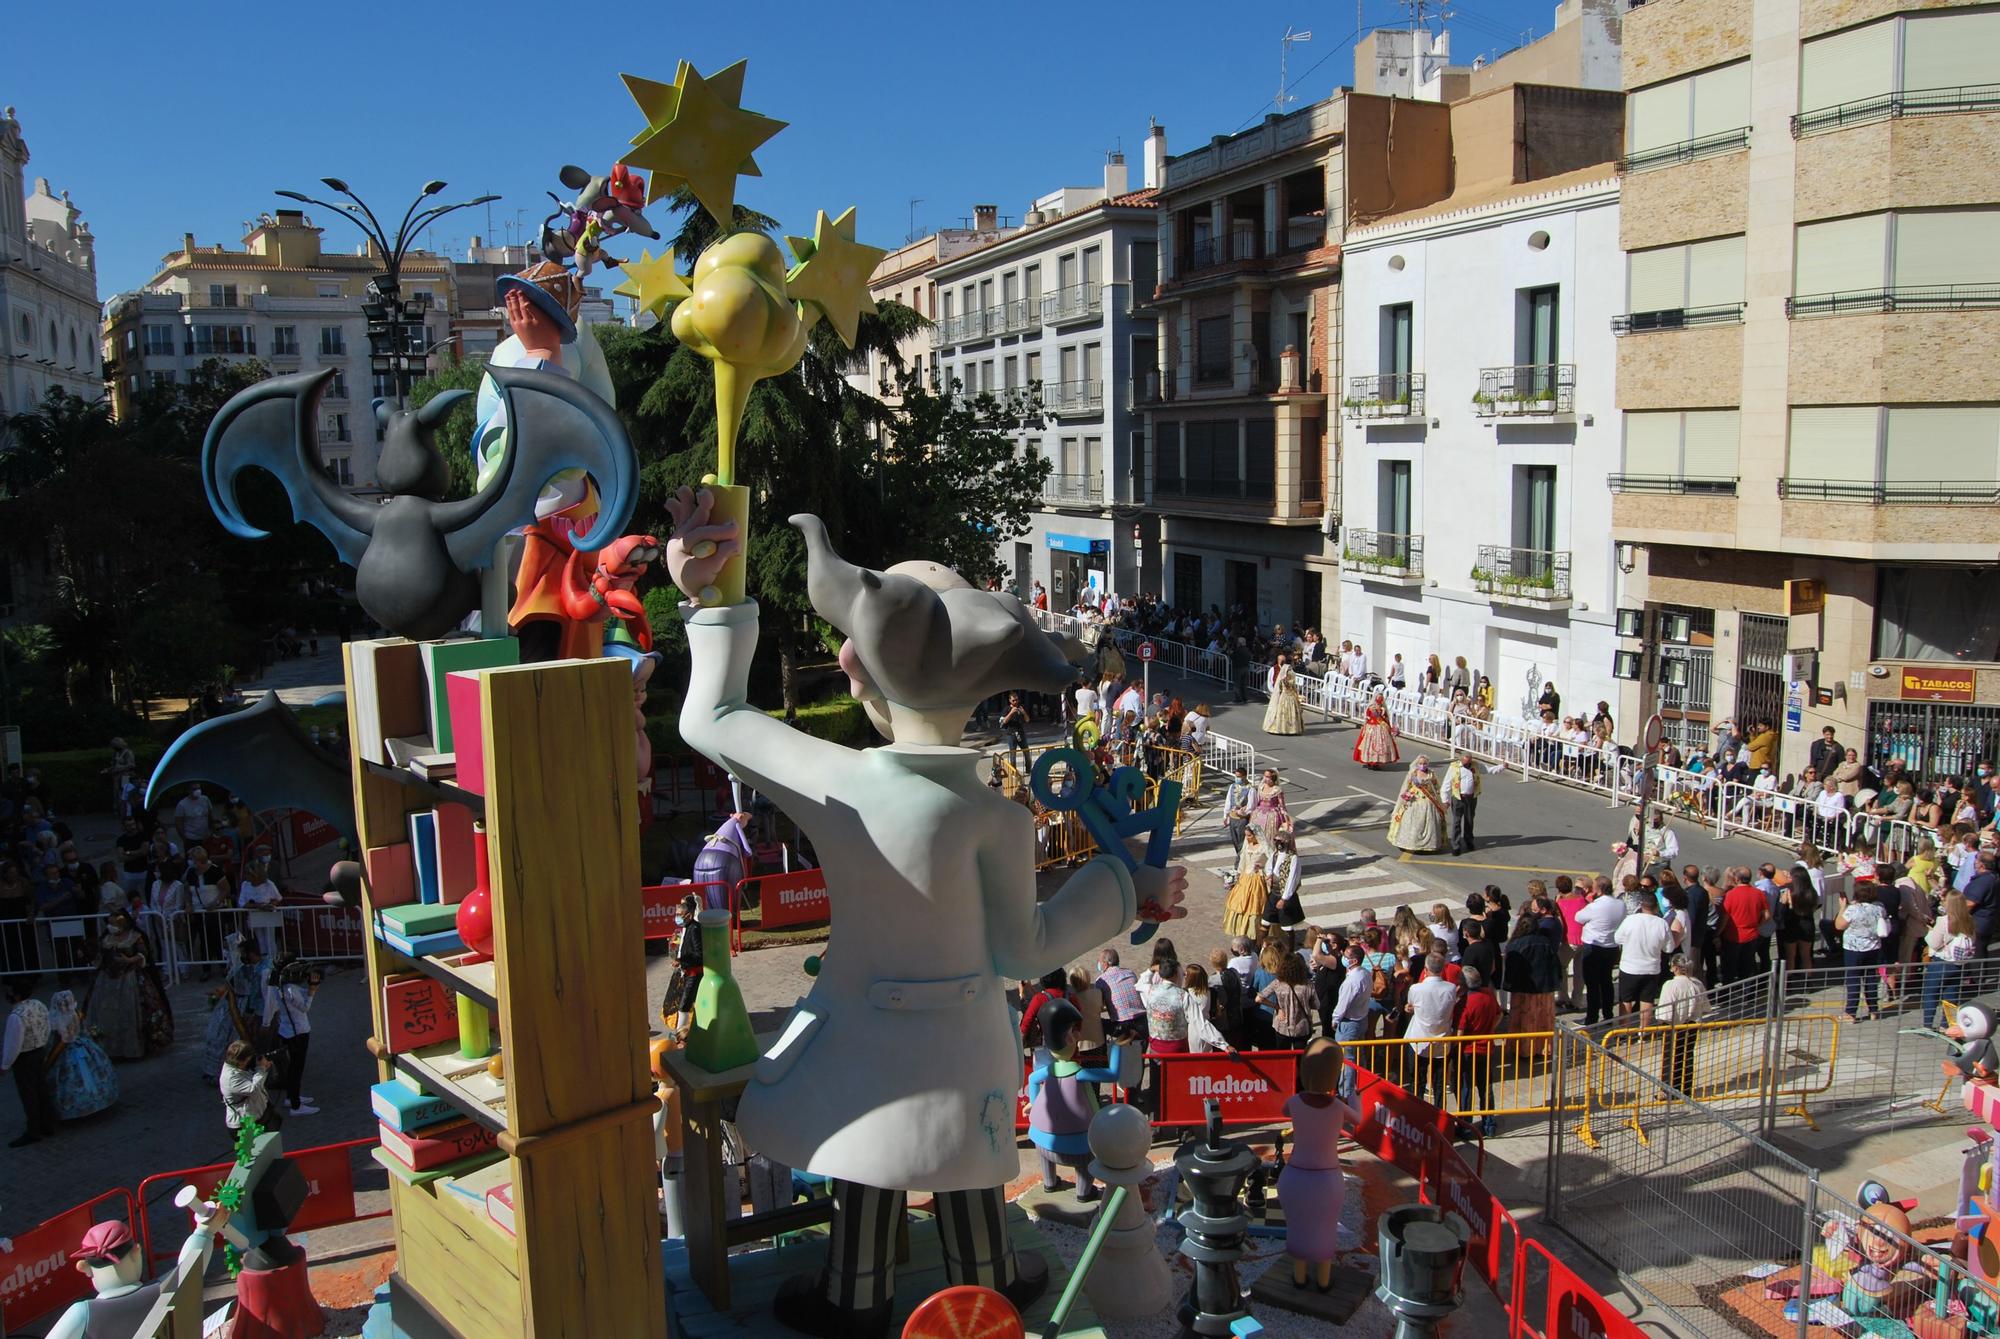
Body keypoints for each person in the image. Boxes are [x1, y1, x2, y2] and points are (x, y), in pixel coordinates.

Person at [1278, 1039, 1358, 1293]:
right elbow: (1359, 1120)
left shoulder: (1295, 1101)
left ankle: (1299, 1276)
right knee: (1325, 1228)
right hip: (1326, 1178)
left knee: (1297, 1226)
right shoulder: (1337, 1107)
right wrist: (1355, 1097)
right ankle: (1323, 1280)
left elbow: (1284, 1111)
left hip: (1295, 1176)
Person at [85, 910, 173, 1060]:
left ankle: (134, 1049)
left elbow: (143, 954)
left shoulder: (135, 937)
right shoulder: (107, 938)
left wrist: (129, 960)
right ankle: (108, 1049)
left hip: (130, 980)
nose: (110, 926)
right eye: (109, 923)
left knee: (132, 1012)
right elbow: (100, 957)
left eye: (113, 923)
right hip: (107, 982)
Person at [263, 952, 321, 1115]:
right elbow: (304, 1007)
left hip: (287, 1031)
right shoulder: (289, 989)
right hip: (298, 1033)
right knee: (296, 1068)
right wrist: (312, 991)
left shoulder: (278, 987)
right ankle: (296, 1106)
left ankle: (291, 1097)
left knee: (292, 1068)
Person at [3, 977, 58, 1146]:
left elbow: (13, 1044)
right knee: (41, 1089)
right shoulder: (37, 1004)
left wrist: (4, 1064)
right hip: (39, 1052)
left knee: (29, 1094)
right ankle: (48, 1123)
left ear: (17, 995)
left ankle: (34, 1130)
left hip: (25, 1058)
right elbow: (48, 1025)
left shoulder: (16, 1016)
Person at [1403, 953, 1460, 1105]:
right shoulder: (1451, 988)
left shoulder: (1416, 988)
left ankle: (1417, 1116)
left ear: (1425, 969)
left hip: (1418, 1040)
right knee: (1439, 1084)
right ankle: (1439, 1115)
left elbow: (1412, 1005)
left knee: (1417, 1083)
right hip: (1441, 1041)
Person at [1502, 911, 1560, 1055]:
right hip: (1545, 988)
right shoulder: (1545, 942)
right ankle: (1544, 1048)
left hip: (1524, 989)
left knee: (1524, 1020)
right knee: (1544, 1020)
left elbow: (1512, 968)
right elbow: (1554, 964)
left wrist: (1508, 985)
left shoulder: (1516, 944)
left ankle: (1524, 1050)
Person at [1453, 967, 1502, 1137]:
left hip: (1468, 1050)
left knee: (1466, 1088)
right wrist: (1490, 1030)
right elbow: (1499, 1014)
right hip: (1487, 1047)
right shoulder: (1488, 994)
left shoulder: (1465, 1003)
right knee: (1486, 1087)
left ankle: (1466, 1126)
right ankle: (1489, 1124)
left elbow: (1459, 1032)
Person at [1614, 897, 1676, 1028]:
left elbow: (1617, 938)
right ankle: (1643, 1032)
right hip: (1651, 969)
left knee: (1626, 1000)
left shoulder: (1630, 920)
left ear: (1641, 906)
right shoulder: (1662, 923)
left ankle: (1624, 1032)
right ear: (1656, 907)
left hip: (1629, 968)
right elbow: (1669, 948)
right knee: (1647, 1001)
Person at [1655, 956, 1710, 1094]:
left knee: (1670, 1058)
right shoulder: (1697, 984)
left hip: (1673, 1025)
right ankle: (1686, 1089)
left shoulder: (1670, 985)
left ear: (1676, 968)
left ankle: (1668, 1090)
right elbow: (1706, 1007)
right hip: (1692, 1025)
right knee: (1687, 1056)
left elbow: (1664, 1013)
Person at [1575, 880, 1627, 1026]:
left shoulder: (1594, 906)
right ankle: (1608, 1015)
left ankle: (1592, 1017)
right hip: (1611, 947)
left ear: (1599, 890)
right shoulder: (1620, 904)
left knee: (1592, 985)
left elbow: (1578, 918)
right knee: (1606, 982)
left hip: (1594, 946)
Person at [1923, 893, 1977, 1030]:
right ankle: (1946, 1025)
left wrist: (1929, 932)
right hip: (1958, 963)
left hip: (1941, 962)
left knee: (1931, 993)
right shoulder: (1969, 920)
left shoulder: (1944, 921)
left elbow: (1935, 944)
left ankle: (1928, 1025)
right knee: (1951, 994)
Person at [1835, 883, 1889, 1022]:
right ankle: (1873, 1010)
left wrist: (1842, 908)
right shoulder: (1879, 908)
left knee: (1853, 980)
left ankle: (1851, 1012)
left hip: (1854, 949)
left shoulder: (1853, 910)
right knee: (1871, 979)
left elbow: (1839, 925)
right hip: (1873, 947)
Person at [1718, 867, 1773, 986]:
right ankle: (1748, 996)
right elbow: (1767, 914)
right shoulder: (1758, 893)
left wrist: (1718, 933)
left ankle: (1727, 995)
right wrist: (1758, 924)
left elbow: (1725, 917)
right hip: (1752, 935)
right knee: (1748, 968)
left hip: (1732, 936)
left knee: (1729, 969)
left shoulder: (1731, 895)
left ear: (1737, 879)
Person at [220, 1038, 280, 1141]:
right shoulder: (230, 1078)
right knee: (252, 1156)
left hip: (260, 1116)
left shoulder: (239, 1068)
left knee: (270, 1151)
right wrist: (261, 1068)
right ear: (241, 1060)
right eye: (249, 1059)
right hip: (245, 1125)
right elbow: (254, 1089)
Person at [1258, 950, 1317, 1050]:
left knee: (1283, 1057)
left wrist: (1277, 1007)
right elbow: (1316, 1005)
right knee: (1299, 1058)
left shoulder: (1277, 983)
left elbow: (1259, 998)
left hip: (1282, 1026)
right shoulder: (1307, 984)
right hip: (1302, 1027)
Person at [1387, 757, 1447, 854]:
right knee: (1411, 822)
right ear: (1417, 764)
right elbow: (1406, 787)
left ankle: (1427, 845)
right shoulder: (1413, 774)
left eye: (1424, 763)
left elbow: (1436, 788)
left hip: (1428, 802)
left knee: (1429, 822)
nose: (1423, 765)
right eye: (1420, 763)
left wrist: (1441, 801)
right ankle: (1407, 843)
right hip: (1414, 800)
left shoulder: (1431, 774)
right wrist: (1406, 796)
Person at [1223, 829, 1269, 941]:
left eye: (1249, 835)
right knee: (1239, 903)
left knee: (1254, 905)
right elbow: (1242, 862)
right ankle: (1241, 930)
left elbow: (1271, 862)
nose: (1247, 838)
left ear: (1255, 835)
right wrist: (1237, 875)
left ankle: (1254, 933)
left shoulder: (1264, 848)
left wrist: (1262, 867)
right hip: (1244, 878)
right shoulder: (1247, 846)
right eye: (1246, 835)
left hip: (1256, 879)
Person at [1181, 965, 1236, 1055]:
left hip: (1193, 1029)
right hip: (1209, 1026)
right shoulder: (1211, 992)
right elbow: (1218, 1012)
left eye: (1186, 975)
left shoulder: (1187, 993)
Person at [1262, 832, 1305, 943]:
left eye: (1280, 841)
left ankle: (1289, 951)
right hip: (1274, 893)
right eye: (1276, 840)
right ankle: (1261, 948)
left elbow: (1292, 879)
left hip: (1284, 895)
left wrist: (1284, 898)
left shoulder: (1293, 858)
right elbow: (1269, 867)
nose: (1277, 843)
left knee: (1287, 927)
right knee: (1265, 923)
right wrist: (1269, 876)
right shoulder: (1275, 854)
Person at [1443, 752, 1481, 856]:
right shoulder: (1454, 767)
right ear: (1461, 760)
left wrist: (1501, 767)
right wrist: (1445, 800)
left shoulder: (1476, 765)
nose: (1467, 764)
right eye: (1465, 762)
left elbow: (1488, 770)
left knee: (1469, 821)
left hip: (1471, 798)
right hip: (1458, 798)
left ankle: (1469, 841)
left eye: (1469, 762)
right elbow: (1446, 783)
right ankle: (1456, 846)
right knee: (1456, 822)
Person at [1354, 694, 1400, 769]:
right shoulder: (1371, 708)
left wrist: (1390, 728)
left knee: (1379, 745)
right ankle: (1370, 761)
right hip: (1371, 728)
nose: (1379, 701)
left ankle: (1376, 762)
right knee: (1370, 745)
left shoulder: (1383, 709)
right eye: (1378, 699)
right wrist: (1365, 728)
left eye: (1381, 699)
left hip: (1380, 728)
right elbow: (1367, 719)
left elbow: (1386, 720)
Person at [1263, 655, 1305, 736]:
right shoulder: (1290, 672)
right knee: (1289, 712)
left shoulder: (1285, 671)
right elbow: (1291, 685)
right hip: (1289, 695)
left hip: (1284, 695)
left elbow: (1280, 684)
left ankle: (1281, 728)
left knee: (1282, 712)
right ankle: (1290, 729)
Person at [1248, 770, 1290, 846]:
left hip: (1272, 816)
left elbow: (1282, 807)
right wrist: (1252, 814)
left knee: (1269, 837)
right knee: (1256, 835)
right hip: (1258, 814)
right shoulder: (1261, 786)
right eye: (1264, 776)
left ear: (1272, 778)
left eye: (1267, 776)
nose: (1265, 778)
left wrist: (1287, 821)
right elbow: (1257, 801)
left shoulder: (1277, 790)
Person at [1222, 767, 1254, 862]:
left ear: (1244, 776)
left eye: (1239, 777)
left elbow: (1251, 805)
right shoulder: (1232, 787)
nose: (1237, 778)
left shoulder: (1251, 789)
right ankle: (1240, 857)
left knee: (1242, 841)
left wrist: (1243, 812)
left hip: (1242, 819)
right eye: (1236, 776)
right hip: (1232, 818)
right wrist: (1225, 815)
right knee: (1235, 841)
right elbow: (1228, 801)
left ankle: (1241, 861)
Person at [999, 693, 1031, 775]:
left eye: (1017, 700)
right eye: (1013, 700)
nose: (1015, 702)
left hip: (1021, 733)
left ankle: (1028, 770)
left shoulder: (1021, 707)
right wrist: (1011, 713)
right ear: (1010, 700)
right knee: (1013, 755)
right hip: (1011, 734)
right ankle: (1014, 773)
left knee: (1027, 753)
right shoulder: (1006, 709)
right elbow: (1004, 722)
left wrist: (1023, 713)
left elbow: (1027, 720)